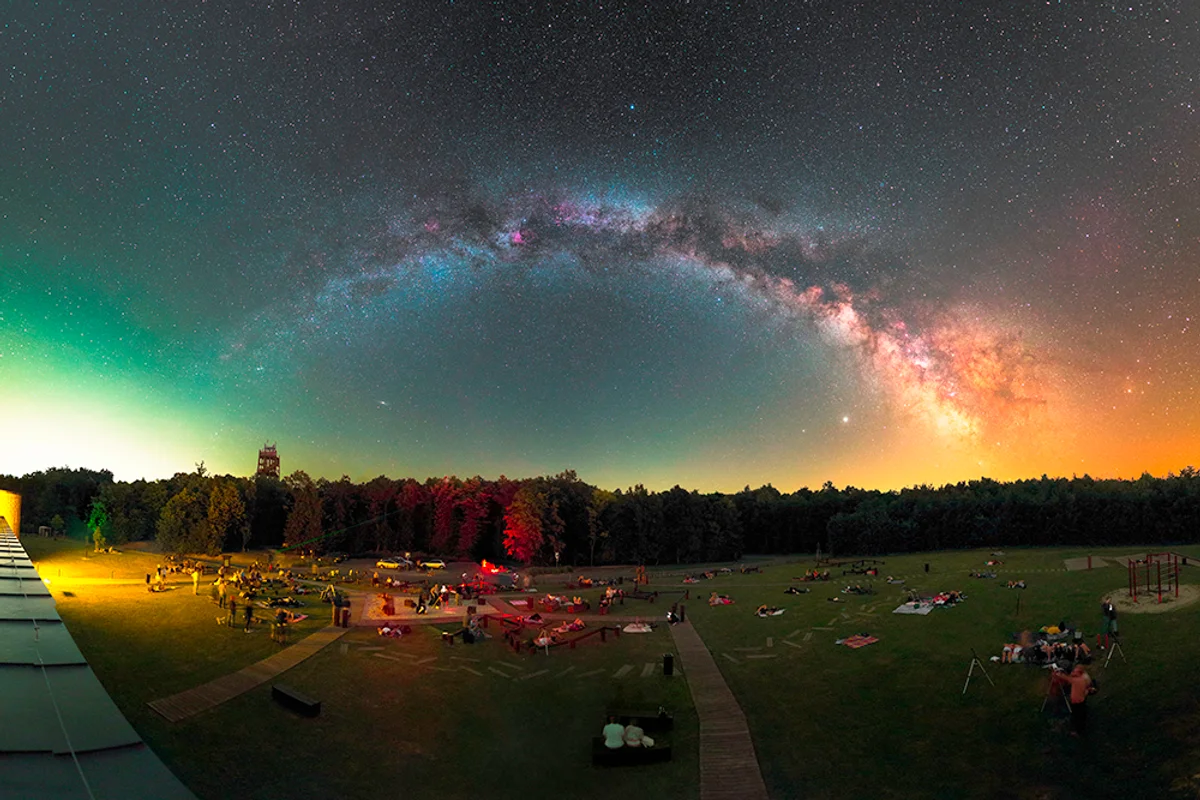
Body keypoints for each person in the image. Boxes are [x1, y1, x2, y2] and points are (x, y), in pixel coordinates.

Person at [1050, 664, 1094, 736]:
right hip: (1082, 700)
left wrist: (1057, 673)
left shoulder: (1076, 680)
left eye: (1075, 671)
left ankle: (1078, 731)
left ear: (1079, 673)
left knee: (1077, 716)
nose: (1073, 672)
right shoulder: (1084, 678)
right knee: (1082, 715)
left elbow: (1065, 677)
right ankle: (1082, 728)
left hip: (1076, 702)